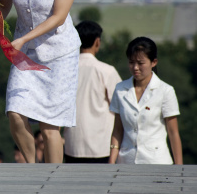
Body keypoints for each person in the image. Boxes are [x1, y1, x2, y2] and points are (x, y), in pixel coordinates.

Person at [0, 0, 81, 164]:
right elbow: (3, 6)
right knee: (15, 111)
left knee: (49, 126)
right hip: (26, 54)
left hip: (59, 53)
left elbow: (58, 17)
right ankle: (34, 169)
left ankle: (53, 181)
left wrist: (21, 38)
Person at [109, 37, 183, 165]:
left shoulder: (165, 91)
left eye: (140, 63)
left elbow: (173, 133)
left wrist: (179, 167)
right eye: (131, 62)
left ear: (153, 62)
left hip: (157, 162)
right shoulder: (120, 89)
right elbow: (117, 130)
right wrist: (111, 161)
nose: (135, 68)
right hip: (126, 161)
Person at [64, 21, 122, 163]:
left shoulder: (65, 70)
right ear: (97, 42)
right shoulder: (107, 71)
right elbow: (121, 106)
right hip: (101, 145)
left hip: (72, 144)